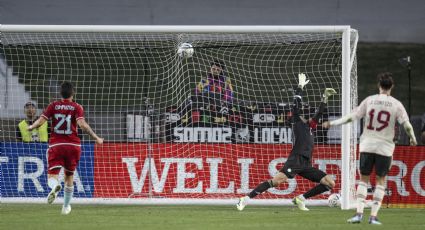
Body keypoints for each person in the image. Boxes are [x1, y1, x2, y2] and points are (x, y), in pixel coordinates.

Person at [323, 72, 417, 225]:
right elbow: (406, 125)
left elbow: (351, 117)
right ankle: (373, 217)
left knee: (364, 180)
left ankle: (359, 214)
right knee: (380, 181)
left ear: (379, 85)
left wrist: (333, 123)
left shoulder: (370, 100)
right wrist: (413, 138)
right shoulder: (396, 104)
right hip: (385, 148)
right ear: (391, 86)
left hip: (367, 145)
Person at [236, 73, 337, 211]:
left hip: (305, 163)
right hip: (295, 160)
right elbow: (296, 106)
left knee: (329, 182)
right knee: (276, 181)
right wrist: (300, 87)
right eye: (301, 114)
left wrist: (324, 98)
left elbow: (318, 114)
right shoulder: (297, 123)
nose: (303, 115)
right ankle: (245, 199)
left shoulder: (310, 126)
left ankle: (300, 199)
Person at [28, 81, 103, 215]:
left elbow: (41, 121)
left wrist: (31, 126)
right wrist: (96, 137)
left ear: (60, 93)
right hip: (73, 146)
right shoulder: (77, 107)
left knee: (52, 175)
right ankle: (66, 207)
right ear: (73, 93)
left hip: (57, 145)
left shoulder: (53, 105)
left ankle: (55, 186)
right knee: (69, 176)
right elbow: (82, 124)